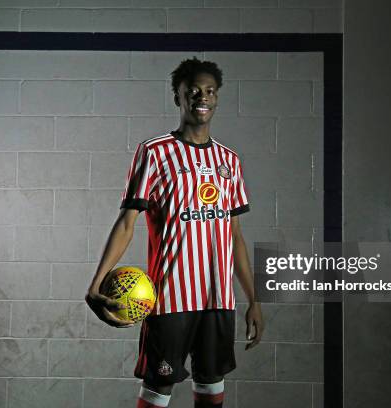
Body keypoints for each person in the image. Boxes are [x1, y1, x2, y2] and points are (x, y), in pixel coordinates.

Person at [86, 57, 264, 408]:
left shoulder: (230, 160)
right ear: (178, 97)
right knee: (158, 390)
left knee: (212, 386)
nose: (203, 97)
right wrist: (97, 282)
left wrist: (254, 299)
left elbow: (235, 236)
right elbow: (126, 223)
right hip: (170, 301)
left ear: (218, 97)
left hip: (218, 301)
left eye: (210, 91)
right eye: (193, 90)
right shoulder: (154, 153)